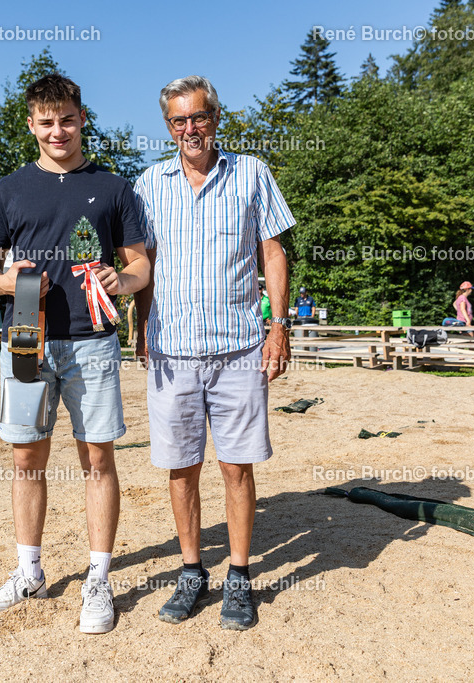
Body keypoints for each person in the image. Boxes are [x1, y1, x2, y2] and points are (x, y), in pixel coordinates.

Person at [0, 73, 150, 634]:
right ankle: (29, 572)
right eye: (47, 122)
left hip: (93, 342)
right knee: (27, 458)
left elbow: (141, 263)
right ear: (31, 125)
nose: (58, 131)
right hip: (25, 337)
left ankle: (99, 579)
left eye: (67, 120)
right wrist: (5, 283)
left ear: (82, 119)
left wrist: (123, 281)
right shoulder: (8, 189)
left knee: (97, 459)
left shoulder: (115, 187)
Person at [134, 74, 295, 631]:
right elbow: (144, 263)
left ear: (216, 117)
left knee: (235, 465)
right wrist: (142, 324)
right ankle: (191, 570)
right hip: (172, 349)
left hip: (238, 348)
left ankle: (240, 576)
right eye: (178, 120)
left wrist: (279, 326)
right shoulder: (148, 184)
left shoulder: (251, 173)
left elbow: (273, 253)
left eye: (198, 116)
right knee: (181, 467)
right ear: (168, 127)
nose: (190, 128)